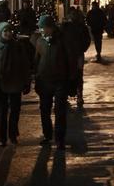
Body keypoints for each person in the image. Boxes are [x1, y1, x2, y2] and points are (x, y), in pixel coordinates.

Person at [0, 22, 34, 146]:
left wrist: (26, 81)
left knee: (15, 111)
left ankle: (13, 135)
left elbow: (25, 65)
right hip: (1, 83)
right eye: (5, 31)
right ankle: (2, 138)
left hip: (16, 82)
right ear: (0, 33)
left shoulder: (18, 46)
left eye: (10, 31)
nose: (8, 34)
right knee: (2, 112)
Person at [32, 15, 74, 150]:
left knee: (60, 110)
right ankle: (47, 135)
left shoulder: (61, 40)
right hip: (44, 81)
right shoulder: (40, 42)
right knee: (44, 109)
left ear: (51, 27)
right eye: (40, 28)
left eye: (43, 28)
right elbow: (37, 60)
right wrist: (36, 76)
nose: (42, 31)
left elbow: (69, 60)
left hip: (60, 80)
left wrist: (71, 80)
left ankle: (60, 138)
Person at [61, 10, 92, 108]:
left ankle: (69, 95)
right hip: (77, 54)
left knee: (68, 75)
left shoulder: (65, 28)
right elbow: (87, 40)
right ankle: (79, 96)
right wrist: (82, 49)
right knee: (78, 75)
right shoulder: (81, 27)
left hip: (69, 55)